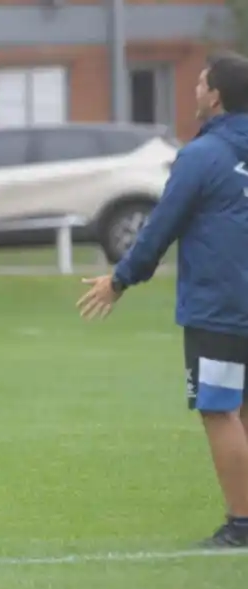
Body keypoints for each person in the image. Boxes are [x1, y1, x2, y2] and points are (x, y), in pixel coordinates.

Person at [77, 50, 248, 547]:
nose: (194, 91)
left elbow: (161, 227)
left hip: (221, 306)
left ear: (215, 96)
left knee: (219, 410)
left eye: (199, 84)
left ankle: (241, 524)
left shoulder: (202, 156)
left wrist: (120, 279)